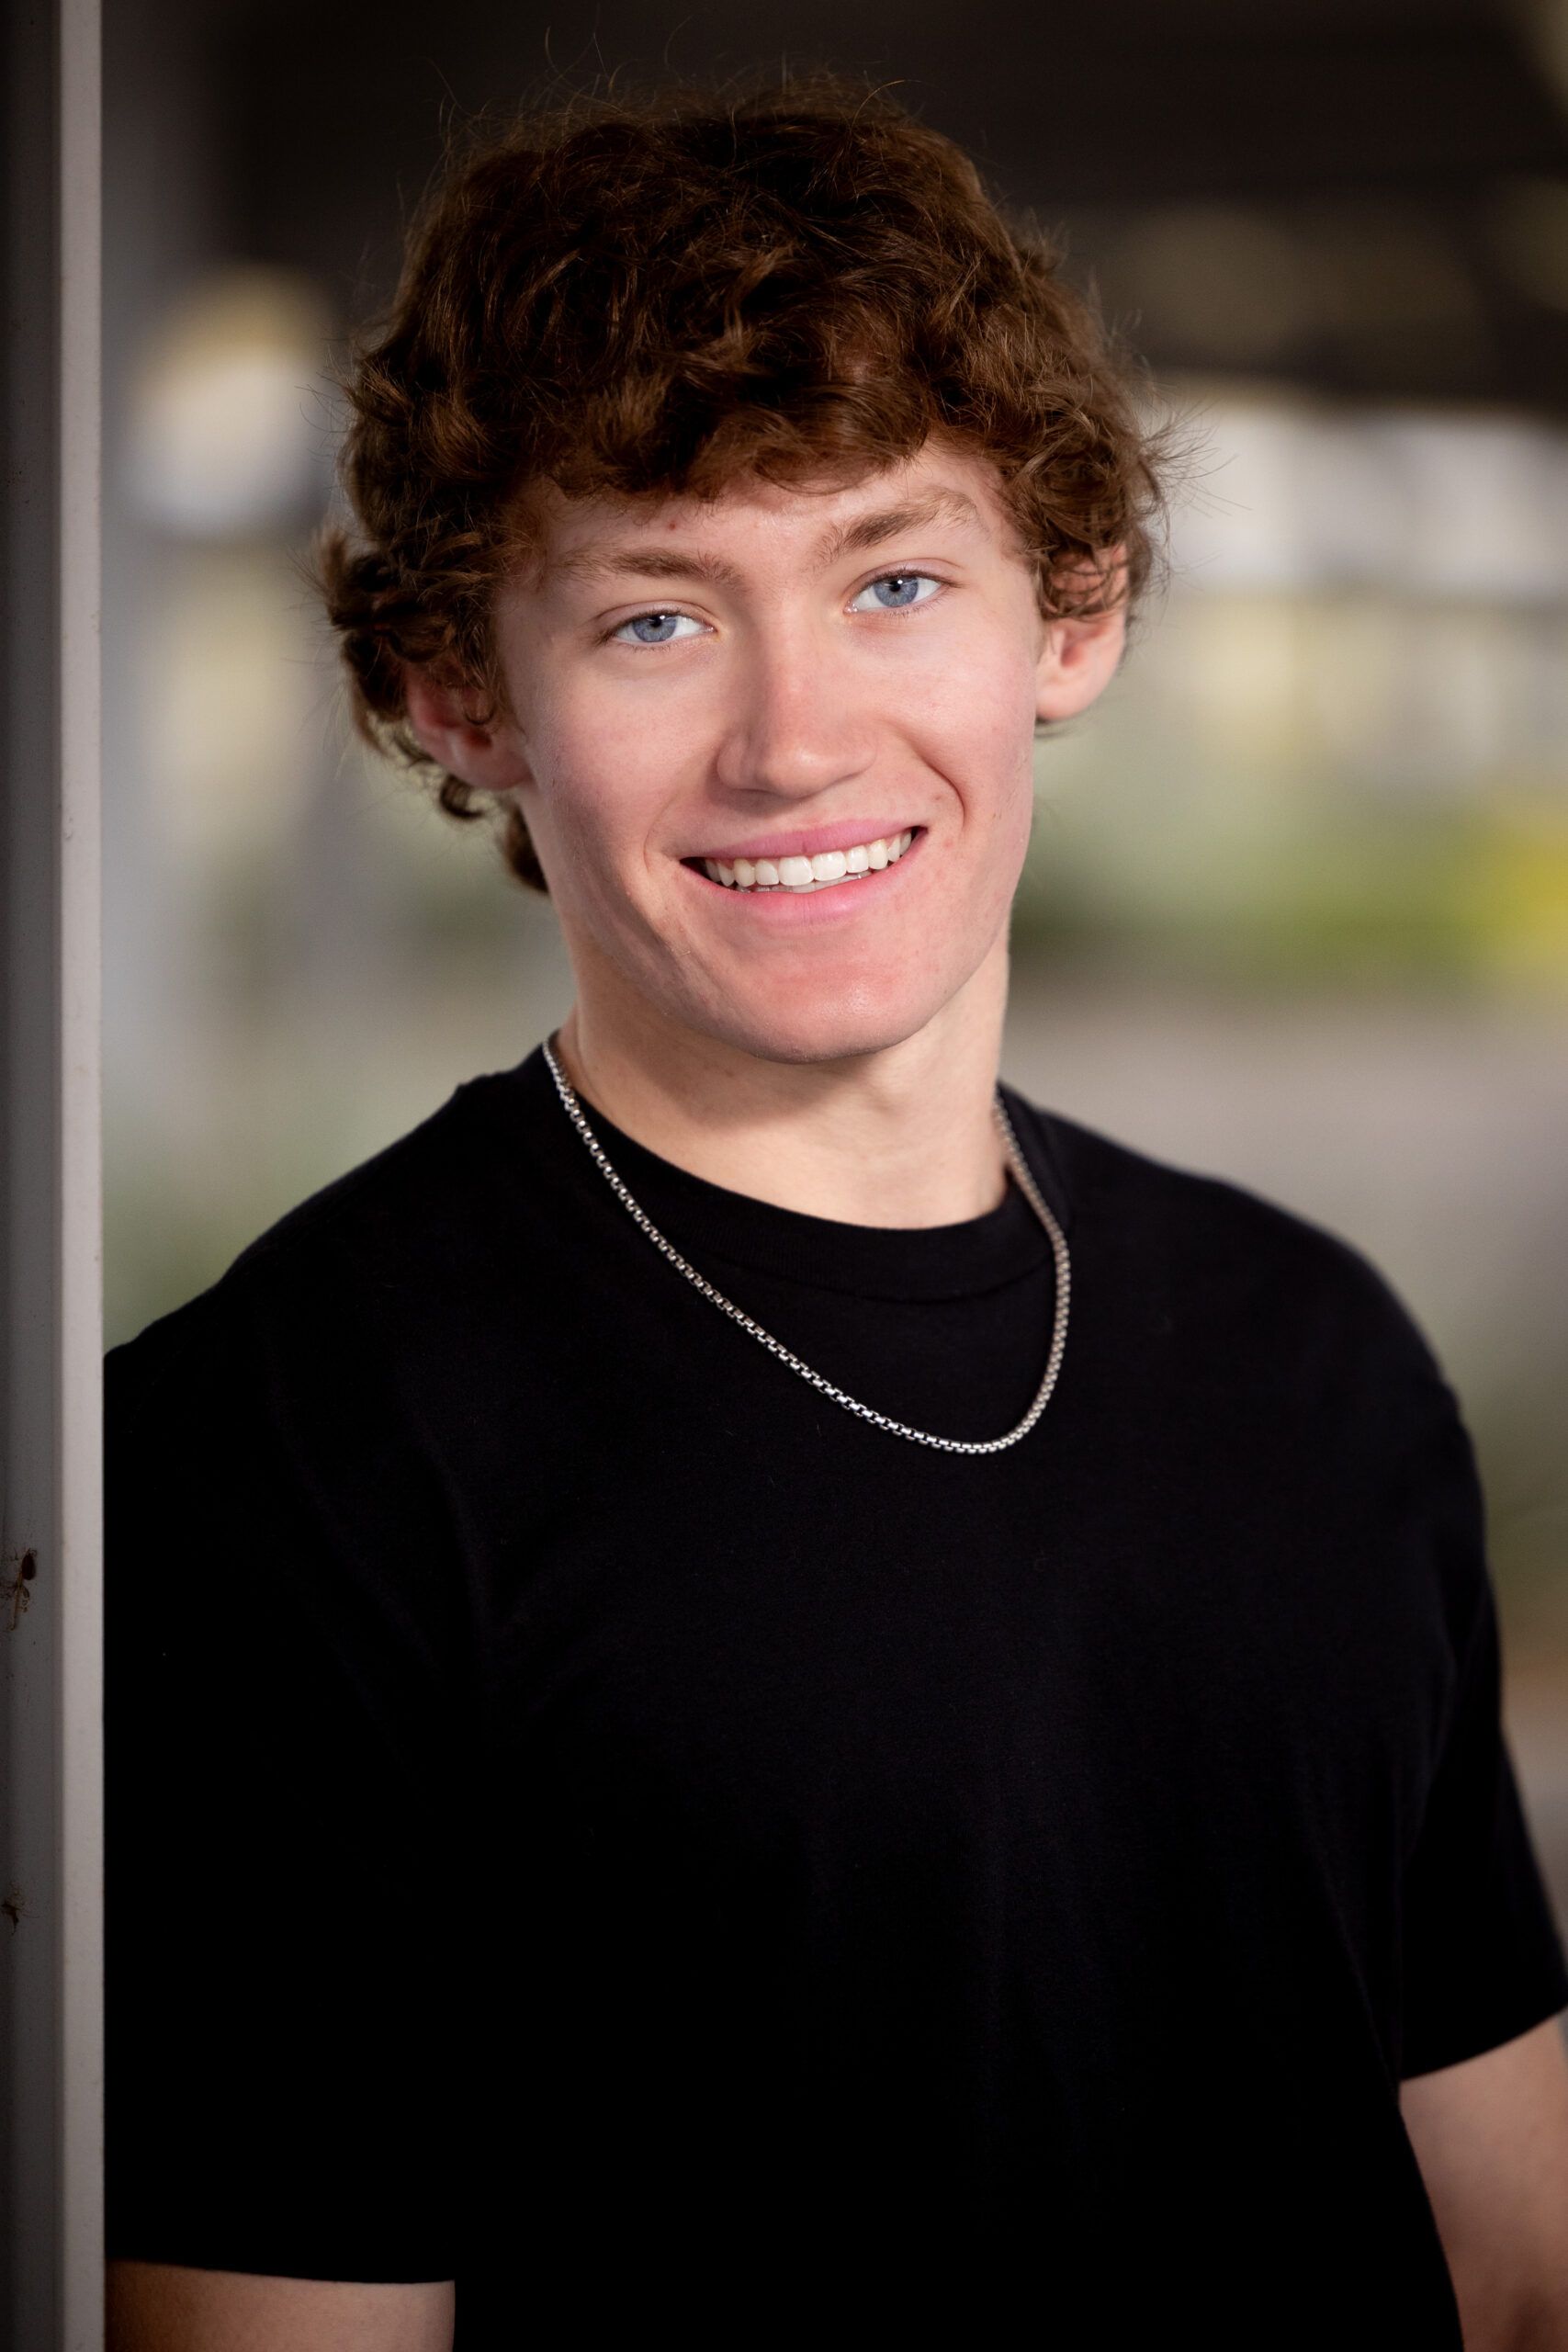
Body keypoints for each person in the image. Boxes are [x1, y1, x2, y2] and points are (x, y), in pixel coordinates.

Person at [105, 81, 1568, 2352]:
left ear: (1069, 613)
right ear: (458, 695)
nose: (793, 738)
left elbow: (1513, 2261)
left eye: (892, 580)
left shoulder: (1316, 1352)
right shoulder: (268, 1464)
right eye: (653, 618)